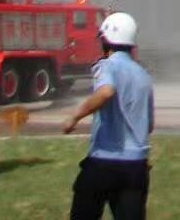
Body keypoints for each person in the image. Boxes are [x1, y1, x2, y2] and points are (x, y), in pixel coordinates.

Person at [63, 12, 154, 220]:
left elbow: (106, 92)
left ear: (106, 40)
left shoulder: (107, 66)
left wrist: (74, 117)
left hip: (104, 161)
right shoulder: (143, 75)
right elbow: (149, 125)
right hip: (136, 166)